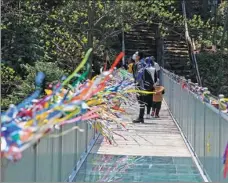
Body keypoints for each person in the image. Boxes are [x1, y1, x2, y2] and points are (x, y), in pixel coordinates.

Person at [132, 52, 155, 123]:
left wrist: (137, 84)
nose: (134, 56)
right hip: (143, 85)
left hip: (141, 85)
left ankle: (140, 117)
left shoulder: (139, 64)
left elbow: (139, 75)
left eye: (136, 55)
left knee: (141, 101)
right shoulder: (141, 63)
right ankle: (140, 117)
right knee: (142, 101)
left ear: (138, 57)